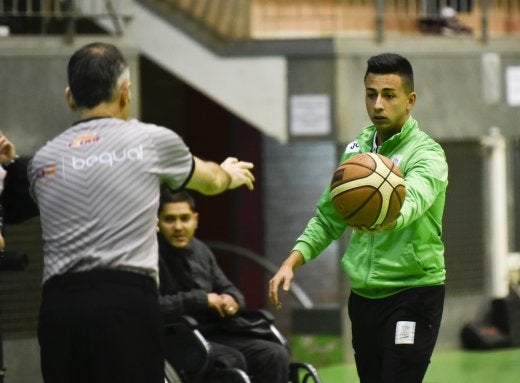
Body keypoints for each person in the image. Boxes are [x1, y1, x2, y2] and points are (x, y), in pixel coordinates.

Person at [27, 42, 255, 383]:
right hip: (126, 303)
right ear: (125, 93)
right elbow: (209, 181)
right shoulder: (151, 141)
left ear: (70, 97)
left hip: (60, 309)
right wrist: (228, 175)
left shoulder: (42, 161)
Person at [269, 53, 448, 383]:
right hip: (364, 297)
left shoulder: (428, 154)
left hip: (413, 294)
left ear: (410, 101)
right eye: (371, 94)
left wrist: (386, 219)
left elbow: (414, 200)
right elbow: (329, 216)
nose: (378, 104)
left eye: (389, 95)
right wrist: (291, 262)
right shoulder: (357, 151)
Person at [157, 188, 290, 383]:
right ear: (158, 222)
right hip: (177, 338)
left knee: (274, 354)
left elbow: (230, 289)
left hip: (216, 333)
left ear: (195, 220)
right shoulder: (151, 255)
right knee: (231, 360)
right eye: (170, 219)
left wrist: (231, 300)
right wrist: (202, 300)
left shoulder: (201, 251)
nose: (178, 226)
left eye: (184, 218)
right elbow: (151, 305)